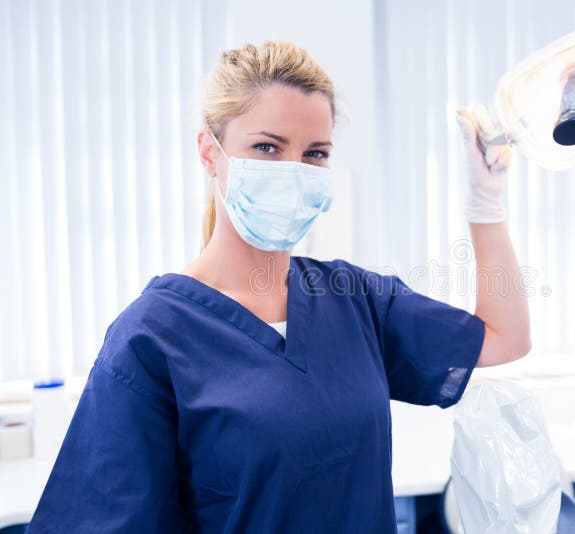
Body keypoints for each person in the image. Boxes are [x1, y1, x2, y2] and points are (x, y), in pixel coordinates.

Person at [28, 41, 530, 533]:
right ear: (210, 152)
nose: (293, 171)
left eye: (315, 153)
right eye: (267, 147)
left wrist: (486, 208)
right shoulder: (151, 338)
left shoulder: (353, 299)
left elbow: (505, 338)